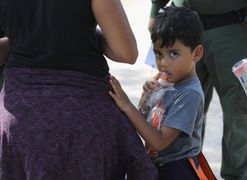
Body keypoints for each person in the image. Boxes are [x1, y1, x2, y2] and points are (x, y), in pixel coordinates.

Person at [0, 0, 158, 179]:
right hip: (84, 119)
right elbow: (126, 52)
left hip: (20, 117)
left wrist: (27, 38)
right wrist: (83, 34)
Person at [149, 0, 247, 179]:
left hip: (231, 29)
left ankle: (238, 176)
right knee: (177, 111)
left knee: (238, 115)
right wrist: (155, 10)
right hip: (180, 28)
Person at [109, 7, 205, 179]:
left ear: (196, 54)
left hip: (177, 170)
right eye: (158, 53)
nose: (163, 63)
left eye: (173, 53)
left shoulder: (189, 94)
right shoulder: (166, 83)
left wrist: (127, 105)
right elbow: (143, 123)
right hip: (157, 166)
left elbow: (159, 142)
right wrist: (146, 98)